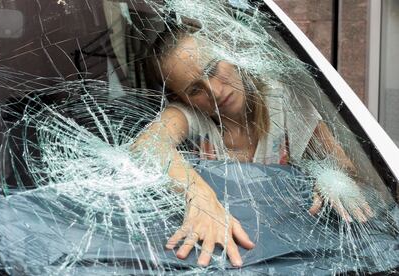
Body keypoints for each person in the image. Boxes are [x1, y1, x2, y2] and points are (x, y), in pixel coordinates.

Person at [134, 25, 371, 267]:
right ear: (183, 99)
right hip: (221, 260)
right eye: (195, 90)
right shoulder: (192, 118)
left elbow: (350, 170)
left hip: (296, 254)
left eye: (213, 68)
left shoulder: (284, 101)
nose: (214, 91)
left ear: (231, 55)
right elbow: (146, 147)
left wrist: (329, 176)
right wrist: (199, 196)